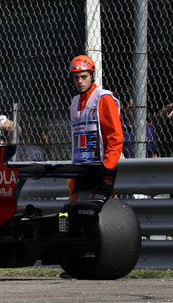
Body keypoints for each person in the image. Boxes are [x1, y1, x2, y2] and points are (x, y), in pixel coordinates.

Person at [62, 54, 123, 227]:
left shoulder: (103, 98)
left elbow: (115, 136)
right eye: (76, 78)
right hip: (80, 171)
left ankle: (99, 249)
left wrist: (108, 168)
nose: (80, 81)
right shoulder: (74, 103)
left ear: (92, 76)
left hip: (100, 170)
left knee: (90, 216)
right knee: (65, 216)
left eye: (84, 77)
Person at [121, 93, 160, 158]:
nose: (139, 108)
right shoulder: (120, 129)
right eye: (135, 105)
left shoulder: (148, 129)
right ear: (125, 107)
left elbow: (154, 155)